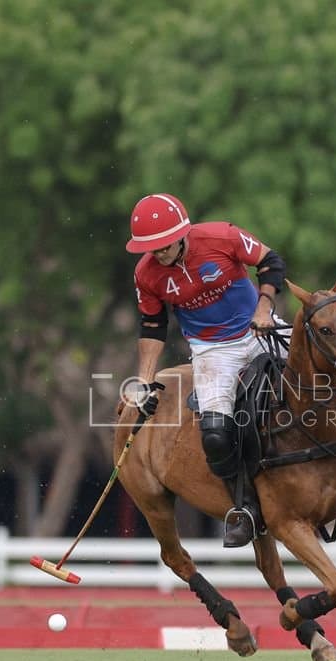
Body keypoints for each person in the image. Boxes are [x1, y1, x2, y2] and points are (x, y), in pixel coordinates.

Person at [126, 193, 286, 548]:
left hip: (258, 328)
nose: (159, 253)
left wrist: (264, 309)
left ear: (182, 233)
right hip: (212, 350)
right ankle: (243, 508)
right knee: (214, 433)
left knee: (327, 367)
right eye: (151, 248)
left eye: (164, 245)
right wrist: (145, 379)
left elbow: (271, 262)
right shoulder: (147, 274)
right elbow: (152, 324)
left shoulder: (221, 237)